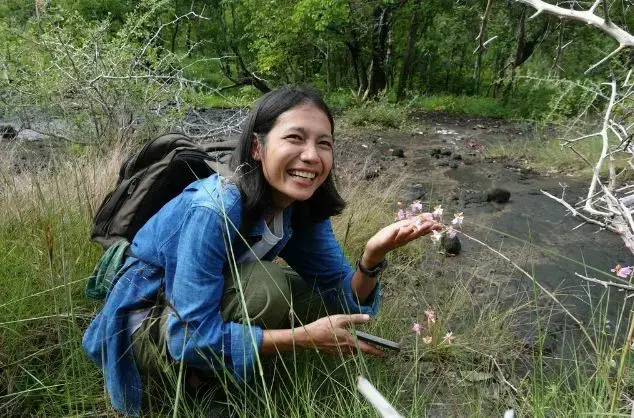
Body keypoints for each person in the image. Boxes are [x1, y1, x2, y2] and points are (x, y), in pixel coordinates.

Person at [82, 86, 441, 415]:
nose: (311, 156)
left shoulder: (299, 207)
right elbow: (185, 338)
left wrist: (372, 256)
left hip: (189, 310)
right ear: (258, 147)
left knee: (295, 288)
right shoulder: (215, 208)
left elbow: (339, 298)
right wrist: (302, 339)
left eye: (324, 143)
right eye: (294, 138)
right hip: (141, 327)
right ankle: (200, 385)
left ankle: (223, 367)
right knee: (268, 286)